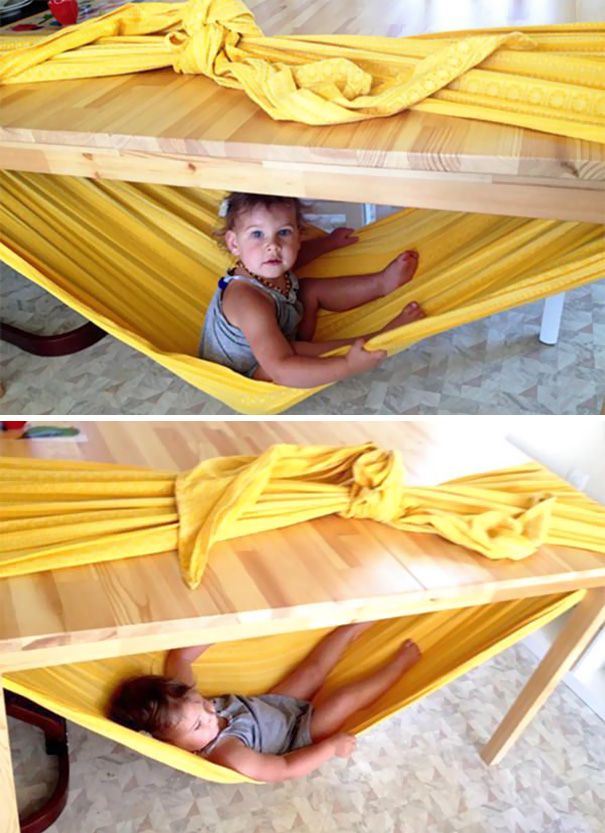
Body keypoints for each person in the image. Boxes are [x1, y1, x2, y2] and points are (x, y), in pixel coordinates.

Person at [107, 623, 422, 782]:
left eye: (200, 701)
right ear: (173, 745)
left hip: (272, 706)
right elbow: (283, 769)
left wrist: (232, 623)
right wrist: (330, 748)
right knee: (343, 700)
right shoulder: (228, 753)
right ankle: (399, 666)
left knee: (312, 671)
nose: (210, 711)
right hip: (296, 736)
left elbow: (180, 655)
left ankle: (352, 626)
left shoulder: (181, 706)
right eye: (200, 723)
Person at [199, 193, 425, 387]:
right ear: (234, 243)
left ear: (298, 235)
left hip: (282, 331)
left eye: (284, 232)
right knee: (295, 350)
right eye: (257, 234)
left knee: (307, 288)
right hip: (252, 373)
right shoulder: (246, 300)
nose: (273, 246)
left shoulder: (268, 264)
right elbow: (280, 369)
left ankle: (381, 283)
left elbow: (297, 256)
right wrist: (347, 367)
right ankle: (372, 341)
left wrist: (328, 243)